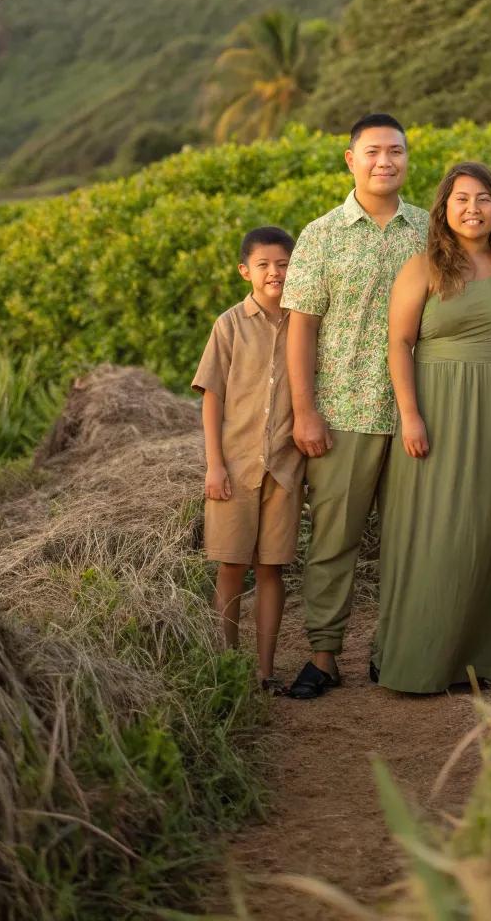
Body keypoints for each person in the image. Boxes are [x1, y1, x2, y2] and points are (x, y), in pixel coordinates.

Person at [282, 113, 428, 700]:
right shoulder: (322, 234)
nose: (385, 161)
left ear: (407, 159)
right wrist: (305, 410)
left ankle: (396, 650)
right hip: (343, 410)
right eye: (373, 152)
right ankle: (324, 654)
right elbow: (301, 328)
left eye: (395, 151)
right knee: (334, 540)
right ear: (351, 160)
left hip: (419, 410)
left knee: (410, 539)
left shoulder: (428, 229)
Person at [373, 162, 491, 693]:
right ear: (443, 208)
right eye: (461, 199)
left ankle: (478, 659)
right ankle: (415, 660)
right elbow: (399, 343)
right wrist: (411, 414)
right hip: (434, 404)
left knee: (486, 527)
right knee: (433, 531)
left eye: (484, 198)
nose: (473, 208)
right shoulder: (421, 268)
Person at [193, 226, 302, 694]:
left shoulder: (305, 322)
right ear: (245, 271)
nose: (274, 272)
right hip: (235, 467)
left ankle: (265, 669)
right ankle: (226, 665)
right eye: (264, 265)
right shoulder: (230, 324)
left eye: (282, 263)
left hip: (285, 466)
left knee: (273, 567)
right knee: (231, 565)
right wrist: (214, 465)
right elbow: (212, 396)